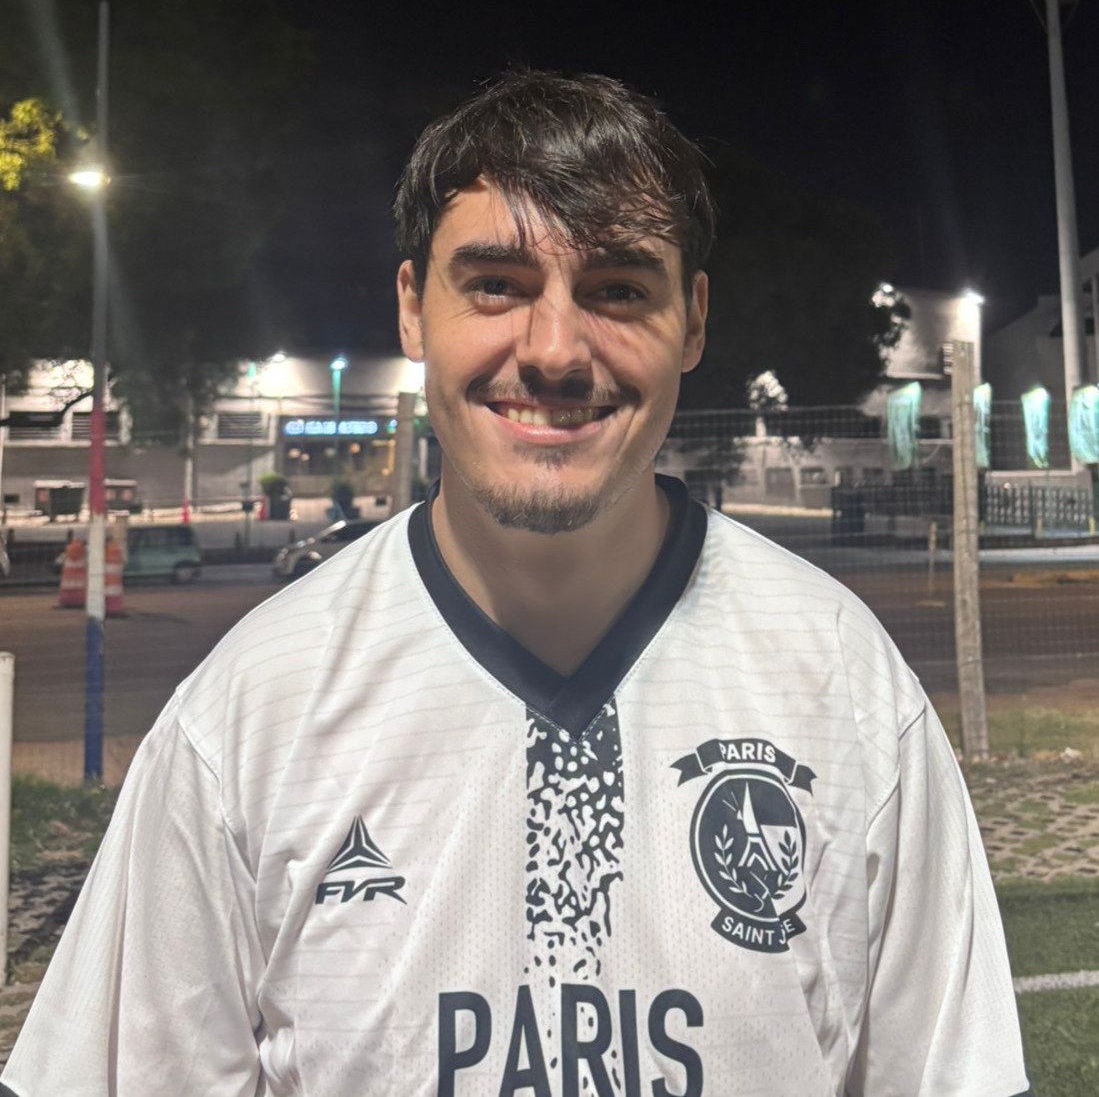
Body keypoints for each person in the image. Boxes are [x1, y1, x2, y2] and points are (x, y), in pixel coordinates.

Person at [1, 70, 1028, 1097]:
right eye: (496, 284)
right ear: (414, 309)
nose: (554, 351)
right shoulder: (248, 713)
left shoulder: (845, 688)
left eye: (618, 289)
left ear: (692, 320)